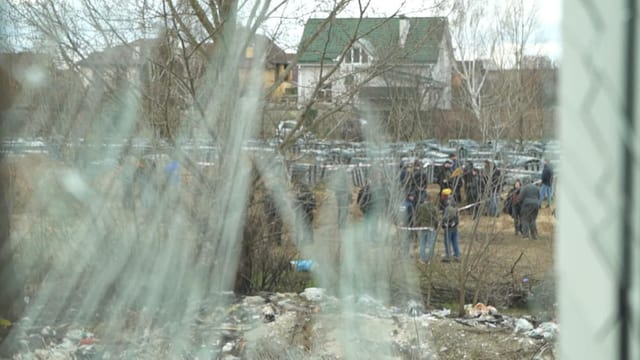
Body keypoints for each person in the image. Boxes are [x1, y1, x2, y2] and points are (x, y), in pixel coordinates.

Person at [413, 195, 440, 263]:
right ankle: (430, 259)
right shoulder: (434, 208)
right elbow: (436, 219)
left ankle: (423, 258)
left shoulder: (420, 207)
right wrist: (436, 226)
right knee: (431, 244)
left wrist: (417, 225)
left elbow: (418, 217)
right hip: (431, 227)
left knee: (422, 244)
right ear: (430, 200)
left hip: (422, 227)